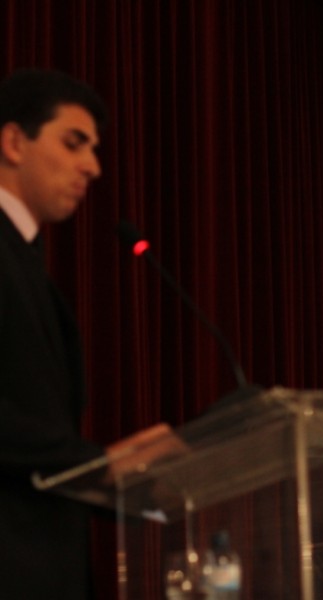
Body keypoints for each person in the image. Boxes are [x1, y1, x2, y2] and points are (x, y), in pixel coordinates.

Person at [0, 68, 179, 599]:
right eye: (73, 143)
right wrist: (96, 465)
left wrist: (99, 469)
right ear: (14, 142)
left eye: (94, 150)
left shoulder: (26, 259)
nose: (92, 167)